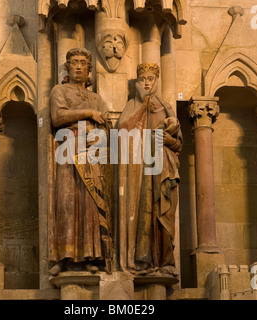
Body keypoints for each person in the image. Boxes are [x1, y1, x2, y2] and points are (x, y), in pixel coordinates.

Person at [48, 48, 113, 275]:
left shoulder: (97, 98)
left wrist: (100, 132)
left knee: (90, 204)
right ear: (67, 67)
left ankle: (91, 256)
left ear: (89, 69)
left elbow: (107, 125)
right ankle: (64, 257)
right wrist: (87, 113)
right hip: (68, 149)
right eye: (74, 62)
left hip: (93, 153)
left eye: (82, 63)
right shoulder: (60, 91)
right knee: (67, 200)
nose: (78, 66)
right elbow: (58, 117)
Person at [117, 62, 183, 276]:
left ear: (157, 81)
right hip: (140, 169)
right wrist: (143, 106)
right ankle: (144, 259)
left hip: (164, 166)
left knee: (164, 212)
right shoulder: (132, 104)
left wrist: (168, 140)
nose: (146, 83)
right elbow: (122, 130)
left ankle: (165, 261)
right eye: (142, 79)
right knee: (144, 211)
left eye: (150, 79)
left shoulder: (166, 106)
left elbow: (179, 144)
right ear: (137, 82)